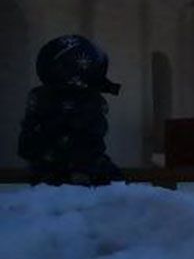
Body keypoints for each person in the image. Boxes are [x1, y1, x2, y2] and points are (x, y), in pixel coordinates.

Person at [17, 35, 123, 187]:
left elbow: (93, 138)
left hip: (67, 171)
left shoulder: (43, 96)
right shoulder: (48, 98)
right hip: (58, 172)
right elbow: (29, 140)